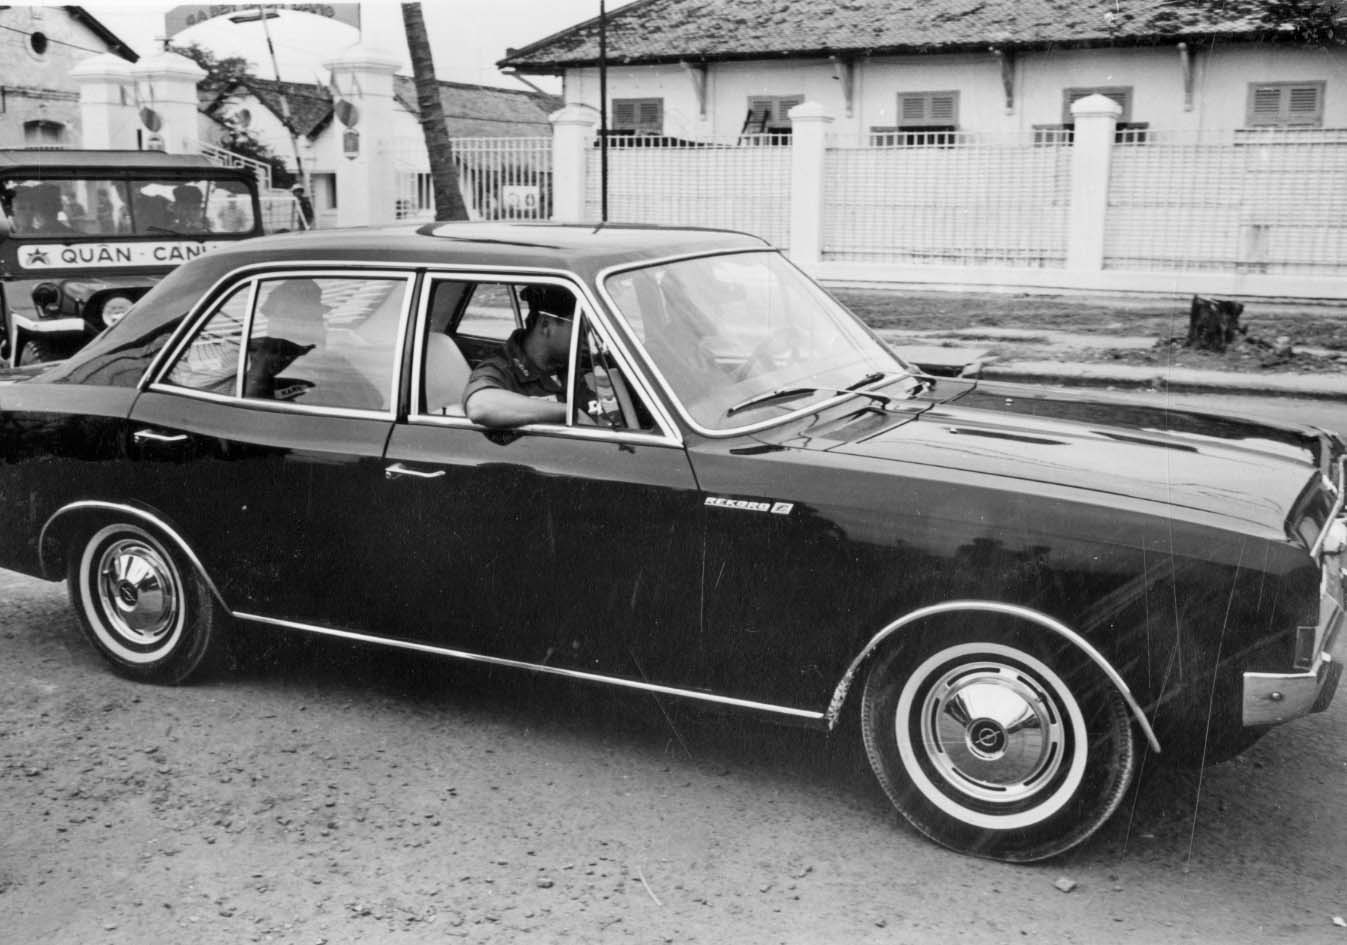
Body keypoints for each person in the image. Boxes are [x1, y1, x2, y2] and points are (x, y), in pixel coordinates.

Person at [462, 284, 585, 428]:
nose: (584, 334)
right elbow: (480, 406)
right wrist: (570, 413)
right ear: (546, 325)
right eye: (578, 325)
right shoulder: (501, 367)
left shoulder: (571, 360)